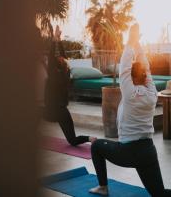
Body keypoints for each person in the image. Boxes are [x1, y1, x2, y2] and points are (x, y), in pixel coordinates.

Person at [89, 23, 171, 196]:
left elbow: (125, 68)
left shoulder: (130, 93)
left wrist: (130, 42)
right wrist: (137, 46)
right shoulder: (152, 93)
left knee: (96, 146)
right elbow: (145, 69)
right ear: (144, 77)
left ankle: (103, 187)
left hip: (128, 152)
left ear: (132, 78)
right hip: (148, 151)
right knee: (159, 194)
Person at [43, 25, 96, 146]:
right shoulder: (65, 75)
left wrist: (55, 39)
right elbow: (63, 56)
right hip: (62, 112)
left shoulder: (52, 74)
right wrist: (58, 39)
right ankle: (90, 138)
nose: (60, 57)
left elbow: (51, 57)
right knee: (72, 140)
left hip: (50, 111)